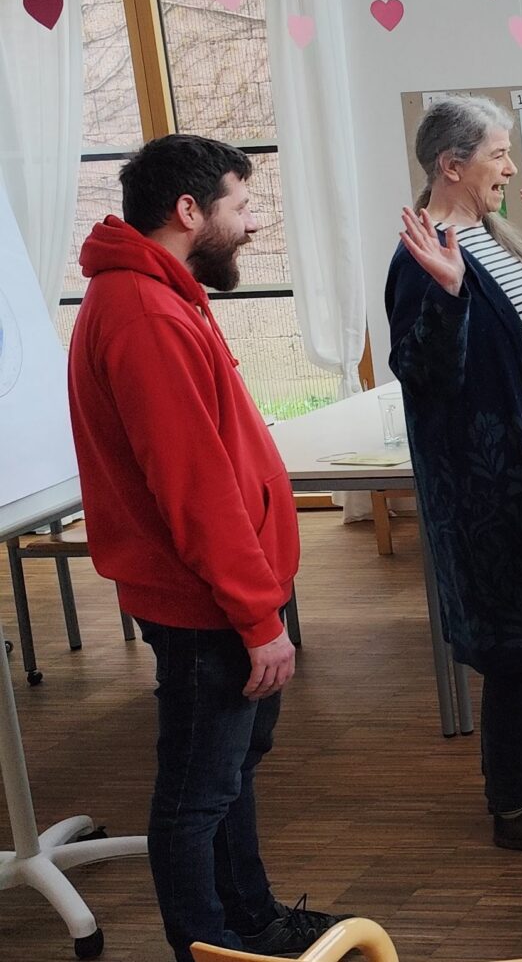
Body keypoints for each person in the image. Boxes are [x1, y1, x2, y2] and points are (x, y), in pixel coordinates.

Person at [66, 135, 345, 961]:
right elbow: (194, 488)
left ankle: (249, 925)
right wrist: (257, 617)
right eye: (242, 205)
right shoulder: (143, 312)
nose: (254, 223)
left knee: (227, 776)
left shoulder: (162, 294)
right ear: (189, 210)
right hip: (204, 604)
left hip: (225, 592)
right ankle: (206, 947)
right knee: (196, 792)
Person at [385, 96, 522, 855]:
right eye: (497, 154)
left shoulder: (488, 237)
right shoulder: (423, 255)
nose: (510, 168)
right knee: (519, 640)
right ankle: (515, 807)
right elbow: (425, 374)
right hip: (495, 482)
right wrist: (446, 297)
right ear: (451, 166)